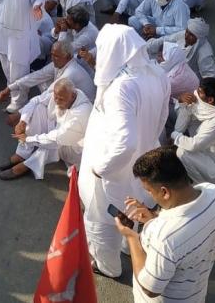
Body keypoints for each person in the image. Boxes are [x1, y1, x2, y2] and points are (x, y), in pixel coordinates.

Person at [79, 24, 170, 278]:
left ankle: (108, 267)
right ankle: (130, 247)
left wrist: (100, 169)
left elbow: (125, 143)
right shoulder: (156, 73)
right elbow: (161, 118)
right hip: (142, 162)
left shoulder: (122, 86)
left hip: (112, 170)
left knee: (101, 222)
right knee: (134, 210)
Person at [115, 146, 215, 301]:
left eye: (148, 190)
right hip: (195, 294)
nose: (148, 195)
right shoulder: (214, 193)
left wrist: (131, 237)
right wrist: (155, 218)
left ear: (164, 192)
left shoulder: (166, 237)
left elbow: (150, 289)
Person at [1, 78, 92, 180]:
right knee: (39, 108)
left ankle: (27, 165)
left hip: (75, 150)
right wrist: (23, 121)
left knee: (52, 142)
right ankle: (22, 154)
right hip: (59, 131)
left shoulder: (81, 112)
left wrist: (28, 139)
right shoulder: (66, 94)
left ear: (73, 96)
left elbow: (57, 138)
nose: (56, 102)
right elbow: (36, 100)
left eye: (60, 99)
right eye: (55, 97)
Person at [170, 77, 215, 206]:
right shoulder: (209, 108)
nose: (195, 93)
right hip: (211, 157)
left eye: (200, 92)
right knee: (189, 114)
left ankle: (202, 189)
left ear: (210, 100)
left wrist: (174, 136)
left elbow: (193, 145)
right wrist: (182, 103)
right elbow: (182, 123)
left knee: (182, 152)